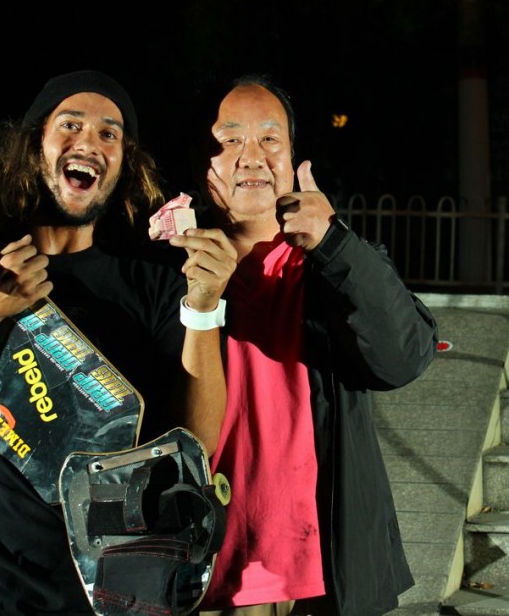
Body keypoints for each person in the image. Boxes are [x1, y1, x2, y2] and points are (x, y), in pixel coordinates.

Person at [0, 69, 237, 616]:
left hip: (104, 596)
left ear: (124, 165)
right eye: (70, 124)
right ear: (33, 145)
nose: (89, 141)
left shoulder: (156, 287)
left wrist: (205, 309)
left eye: (109, 134)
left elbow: (196, 443)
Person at [170, 74, 439, 616]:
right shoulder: (167, 269)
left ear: (294, 160)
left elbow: (404, 357)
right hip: (203, 578)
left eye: (271, 139)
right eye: (230, 140)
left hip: (319, 583)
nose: (251, 156)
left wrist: (335, 243)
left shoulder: (334, 265)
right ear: (205, 164)